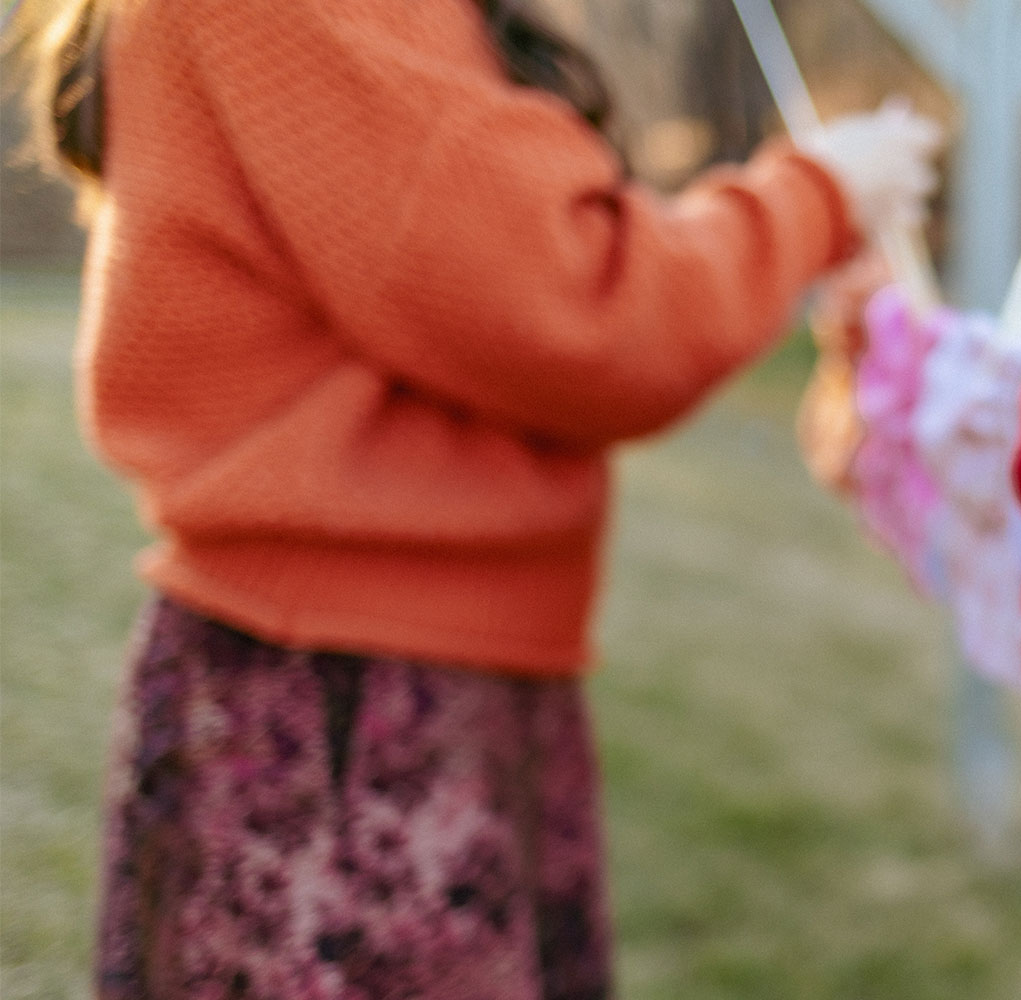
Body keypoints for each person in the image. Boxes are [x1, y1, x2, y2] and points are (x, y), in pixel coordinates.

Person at [18, 0, 941, 996]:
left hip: (390, 681)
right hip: (347, 701)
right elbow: (583, 305)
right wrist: (819, 196)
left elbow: (501, 255)